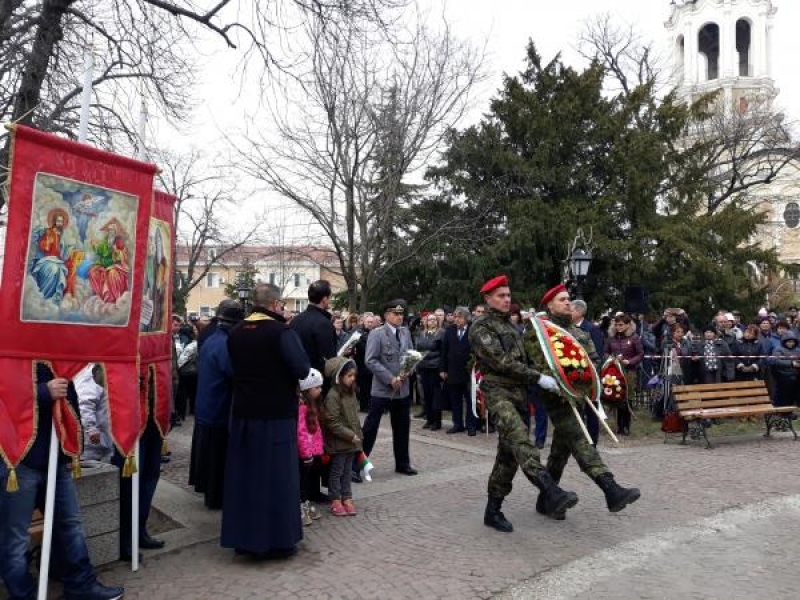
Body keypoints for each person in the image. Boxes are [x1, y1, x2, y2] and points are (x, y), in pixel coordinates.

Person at [0, 363, 124, 600]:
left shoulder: (52, 351)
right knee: (15, 537)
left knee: (70, 525)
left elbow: (70, 398)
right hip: (16, 459)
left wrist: (71, 450)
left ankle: (80, 585)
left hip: (56, 456)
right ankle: (23, 594)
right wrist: (43, 392)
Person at [468, 276, 580, 532]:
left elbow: (528, 358)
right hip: (498, 393)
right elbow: (501, 362)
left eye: (508, 295)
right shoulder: (481, 328)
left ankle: (492, 510)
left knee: (508, 457)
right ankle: (550, 490)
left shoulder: (513, 328)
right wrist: (538, 377)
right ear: (487, 299)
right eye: (500, 296)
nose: (507, 300)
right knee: (521, 441)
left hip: (519, 395)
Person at [524, 283, 640, 522]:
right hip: (556, 396)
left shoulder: (579, 333)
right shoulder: (540, 331)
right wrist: (559, 381)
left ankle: (547, 499)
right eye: (561, 300)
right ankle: (611, 489)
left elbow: (592, 360)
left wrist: (598, 374)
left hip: (579, 396)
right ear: (550, 305)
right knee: (580, 439)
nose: (567, 303)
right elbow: (539, 363)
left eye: (568, 299)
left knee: (560, 450)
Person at [221, 283, 311, 559]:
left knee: (245, 479)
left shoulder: (235, 333)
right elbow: (302, 368)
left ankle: (244, 539)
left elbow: (231, 369)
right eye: (281, 305)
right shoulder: (281, 332)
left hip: (244, 414)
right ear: (274, 305)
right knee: (276, 479)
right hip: (276, 415)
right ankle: (278, 541)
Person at [189, 299, 243, 510]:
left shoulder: (212, 339)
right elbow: (233, 373)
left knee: (210, 456)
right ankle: (216, 497)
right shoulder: (224, 344)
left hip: (207, 405)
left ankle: (211, 493)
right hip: (218, 407)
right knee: (217, 458)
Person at [363, 299, 418, 476]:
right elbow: (370, 360)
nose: (399, 317)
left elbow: (410, 354)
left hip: (402, 388)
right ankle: (358, 465)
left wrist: (410, 368)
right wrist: (389, 378)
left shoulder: (405, 332)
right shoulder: (377, 333)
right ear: (386, 315)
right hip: (382, 389)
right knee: (371, 428)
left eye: (401, 314)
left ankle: (403, 463)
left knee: (402, 426)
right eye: (396, 314)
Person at [323, 357, 363, 515]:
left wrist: (358, 435)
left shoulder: (351, 392)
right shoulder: (333, 396)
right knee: (337, 471)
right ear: (339, 377)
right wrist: (349, 435)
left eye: (354, 375)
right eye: (349, 376)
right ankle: (335, 499)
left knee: (347, 472)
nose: (353, 379)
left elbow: (354, 416)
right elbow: (332, 421)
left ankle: (347, 497)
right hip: (339, 442)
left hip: (351, 441)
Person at [604, 314, 644, 436]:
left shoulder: (634, 337)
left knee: (627, 398)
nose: (618, 327)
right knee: (617, 397)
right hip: (614, 371)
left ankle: (626, 426)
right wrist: (611, 359)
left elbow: (640, 354)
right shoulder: (611, 337)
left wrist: (630, 361)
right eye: (616, 325)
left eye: (621, 324)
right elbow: (605, 352)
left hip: (629, 372)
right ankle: (619, 426)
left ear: (628, 324)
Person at [440, 306, 478, 435]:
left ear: (466, 318)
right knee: (455, 400)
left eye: (459, 317)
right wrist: (443, 369)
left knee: (470, 400)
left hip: (469, 372)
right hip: (453, 371)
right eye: (455, 317)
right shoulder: (450, 330)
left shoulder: (473, 330)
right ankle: (457, 424)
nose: (456, 319)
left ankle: (471, 425)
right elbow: (444, 351)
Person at [290, 280, 338, 378]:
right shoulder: (323, 323)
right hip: (316, 381)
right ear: (324, 299)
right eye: (330, 297)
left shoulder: (295, 320)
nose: (330, 300)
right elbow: (328, 359)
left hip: (296, 377)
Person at [297, 369, 325, 526]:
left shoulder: (311, 405)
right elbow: (301, 433)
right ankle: (300, 506)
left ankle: (305, 502)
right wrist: (306, 453)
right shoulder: (302, 408)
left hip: (310, 451)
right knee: (301, 480)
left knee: (306, 480)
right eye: (317, 387)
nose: (320, 390)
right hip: (304, 454)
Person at [74, 364, 113, 464]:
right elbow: (85, 404)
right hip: (93, 444)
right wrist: (91, 428)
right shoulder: (89, 374)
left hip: (102, 439)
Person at [415, 313, 444, 430]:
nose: (432, 322)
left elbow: (442, 352)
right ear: (426, 322)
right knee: (426, 395)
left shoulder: (441, 333)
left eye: (434, 320)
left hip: (435, 368)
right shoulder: (421, 334)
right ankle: (429, 419)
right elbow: (417, 350)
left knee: (435, 395)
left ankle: (437, 422)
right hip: (423, 368)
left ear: (437, 321)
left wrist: (426, 354)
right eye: (429, 320)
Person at [768, 330, 800, 407]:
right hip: (782, 376)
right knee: (782, 396)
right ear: (784, 341)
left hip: (796, 376)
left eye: (792, 342)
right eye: (788, 342)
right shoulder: (778, 349)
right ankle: (780, 412)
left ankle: (789, 412)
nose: (791, 343)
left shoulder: (798, 350)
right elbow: (775, 361)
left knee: (792, 395)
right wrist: (791, 363)